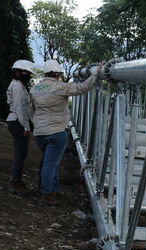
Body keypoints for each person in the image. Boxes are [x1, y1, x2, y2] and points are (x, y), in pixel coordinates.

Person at [30, 59, 101, 204]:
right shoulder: (60, 87)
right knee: (50, 163)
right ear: (57, 73)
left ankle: (53, 189)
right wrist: (95, 75)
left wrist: (37, 125)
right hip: (57, 131)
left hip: (40, 132)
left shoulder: (34, 89)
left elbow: (31, 111)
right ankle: (46, 193)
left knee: (49, 162)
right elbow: (82, 88)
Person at [6, 59, 35, 195]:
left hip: (17, 121)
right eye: (25, 72)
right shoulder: (17, 87)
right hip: (17, 121)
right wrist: (26, 126)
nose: (27, 75)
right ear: (17, 72)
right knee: (21, 153)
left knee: (21, 153)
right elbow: (20, 108)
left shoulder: (18, 85)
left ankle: (17, 179)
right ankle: (15, 181)